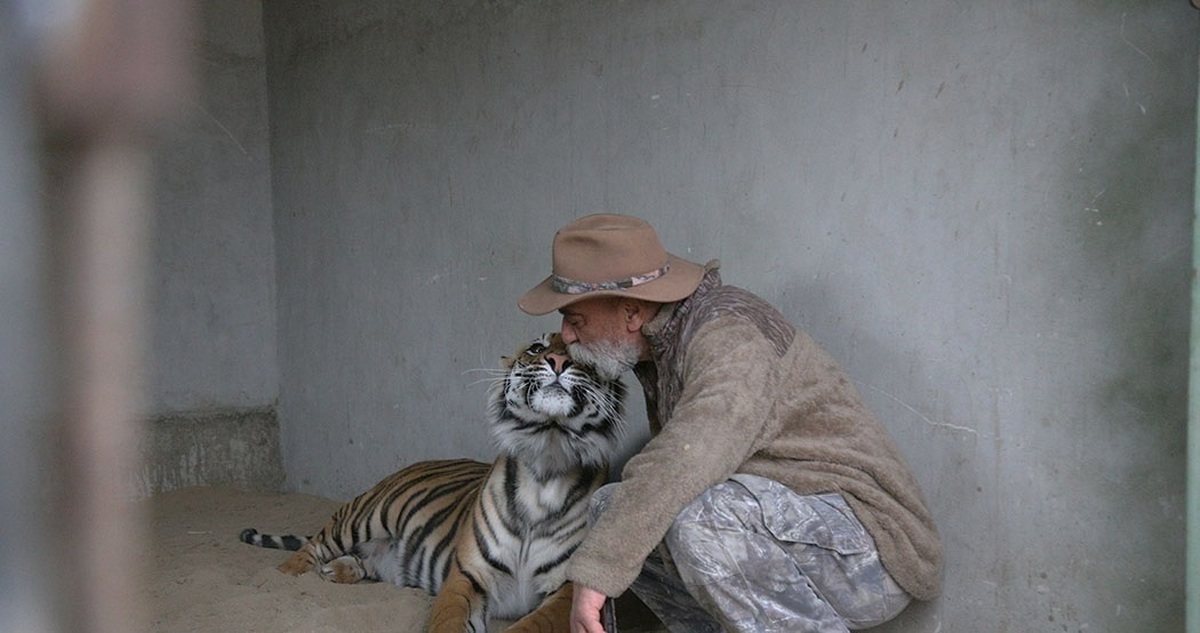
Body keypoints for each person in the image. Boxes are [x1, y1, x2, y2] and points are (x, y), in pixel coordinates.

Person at [518, 214, 943, 633]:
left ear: (631, 312)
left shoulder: (728, 334)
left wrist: (594, 576)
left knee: (697, 519)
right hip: (797, 532)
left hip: (873, 551)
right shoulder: (665, 343)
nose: (566, 337)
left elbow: (688, 461)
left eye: (576, 320)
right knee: (612, 509)